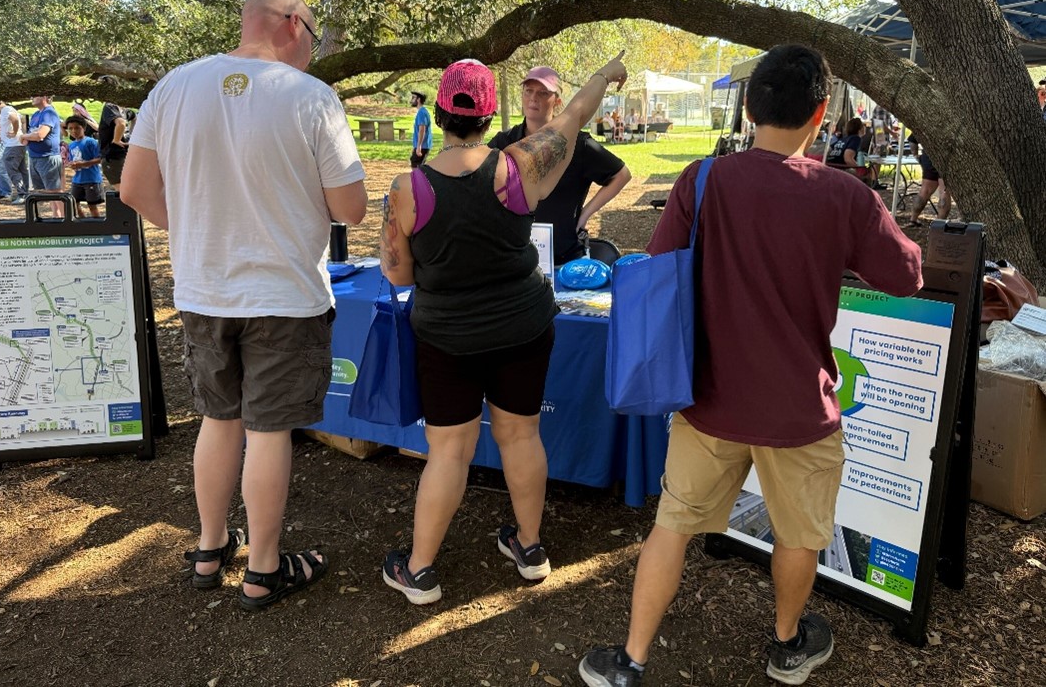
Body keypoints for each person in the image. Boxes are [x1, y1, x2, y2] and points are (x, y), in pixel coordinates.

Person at [578, 45, 922, 687]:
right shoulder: (845, 195)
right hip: (800, 408)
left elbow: (660, 265)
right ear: (821, 114)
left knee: (672, 526)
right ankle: (787, 646)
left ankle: (629, 662)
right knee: (799, 535)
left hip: (708, 398)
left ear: (748, 105)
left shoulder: (701, 179)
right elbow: (906, 273)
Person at [120, 0, 368, 611]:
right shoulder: (313, 98)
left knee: (218, 418)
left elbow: (133, 188)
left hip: (205, 291)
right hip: (285, 295)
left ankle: (209, 547)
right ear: (291, 23)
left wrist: (198, 226)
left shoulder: (174, 86)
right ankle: (262, 568)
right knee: (270, 430)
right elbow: (351, 208)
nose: (313, 48)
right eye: (313, 34)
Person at [379, 53, 628, 605]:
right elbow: (574, 119)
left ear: (441, 113)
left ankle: (420, 571)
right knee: (521, 435)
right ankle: (531, 548)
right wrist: (604, 74)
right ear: (492, 117)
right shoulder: (519, 167)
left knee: (448, 451)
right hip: (523, 325)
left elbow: (397, 272)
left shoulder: (405, 188)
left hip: (446, 335)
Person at [490, 65, 632, 265]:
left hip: (567, 258)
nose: (533, 98)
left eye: (543, 93)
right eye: (528, 91)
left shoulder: (579, 144)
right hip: (516, 260)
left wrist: (585, 214)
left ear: (557, 101)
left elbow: (621, 175)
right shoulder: (502, 143)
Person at [19, 95, 64, 200]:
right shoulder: (35, 114)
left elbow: (40, 135)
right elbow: (29, 138)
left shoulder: (49, 113)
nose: (31, 98)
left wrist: (24, 136)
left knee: (55, 193)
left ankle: (61, 216)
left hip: (48, 158)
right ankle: (53, 216)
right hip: (34, 157)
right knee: (43, 192)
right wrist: (27, 136)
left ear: (44, 96)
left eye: (34, 95)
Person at [906, 133, 952, 226]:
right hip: (947, 158)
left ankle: (913, 219)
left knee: (924, 190)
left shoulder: (926, 122)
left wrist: (915, 155)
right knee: (944, 191)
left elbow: (912, 140)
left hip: (928, 157)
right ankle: (939, 224)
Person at [65, 115, 104, 217]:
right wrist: (72, 165)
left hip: (91, 179)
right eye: (70, 128)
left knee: (92, 206)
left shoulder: (90, 142)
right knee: (74, 204)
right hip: (77, 180)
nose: (74, 131)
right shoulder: (71, 145)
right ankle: (85, 225)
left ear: (84, 128)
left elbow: (100, 159)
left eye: (77, 128)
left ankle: (97, 228)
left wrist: (83, 164)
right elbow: (73, 160)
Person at [0, 100, 28, 203]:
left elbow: (15, 120)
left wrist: (15, 132)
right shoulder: (11, 109)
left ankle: (22, 194)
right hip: (18, 144)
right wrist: (23, 134)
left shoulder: (6, 109)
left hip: (12, 146)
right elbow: (22, 119)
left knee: (12, 170)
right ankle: (25, 193)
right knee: (22, 170)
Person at [97, 98, 128, 187]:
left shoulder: (110, 106)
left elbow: (121, 123)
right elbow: (134, 117)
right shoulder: (124, 109)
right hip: (125, 154)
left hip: (112, 156)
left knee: (120, 189)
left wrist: (116, 140)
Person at [409, 90, 432, 168]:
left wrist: (419, 146)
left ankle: (419, 180)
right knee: (416, 164)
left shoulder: (422, 112)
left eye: (413, 98)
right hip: (423, 145)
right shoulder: (422, 111)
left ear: (418, 100)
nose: (411, 100)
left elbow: (422, 129)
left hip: (423, 146)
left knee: (416, 166)